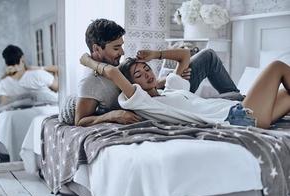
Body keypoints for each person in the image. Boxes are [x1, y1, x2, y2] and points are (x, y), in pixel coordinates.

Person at [75, 18, 241, 127]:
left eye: (121, 46)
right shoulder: (91, 81)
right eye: (117, 48)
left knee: (208, 56)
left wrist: (160, 77)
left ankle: (234, 97)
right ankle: (235, 98)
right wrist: (112, 115)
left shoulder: (114, 64)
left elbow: (131, 77)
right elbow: (80, 120)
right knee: (229, 102)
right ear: (96, 48)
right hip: (154, 105)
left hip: (163, 94)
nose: (122, 52)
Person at [80, 48, 290, 129]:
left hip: (239, 108)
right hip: (239, 117)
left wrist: (155, 54)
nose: (147, 73)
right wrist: (87, 60)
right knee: (276, 66)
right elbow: (115, 73)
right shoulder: (144, 102)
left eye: (146, 69)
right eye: (138, 75)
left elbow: (184, 56)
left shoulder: (171, 89)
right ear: (133, 85)